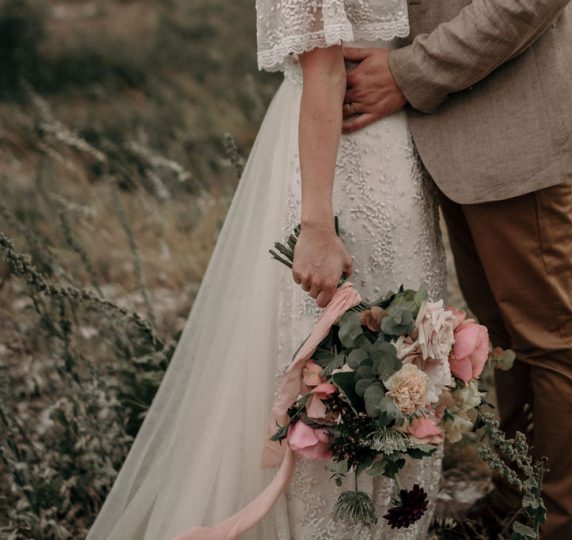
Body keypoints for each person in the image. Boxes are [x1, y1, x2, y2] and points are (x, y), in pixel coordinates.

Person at [86, 0, 446, 537]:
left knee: (342, 356)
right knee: (391, 356)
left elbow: (324, 69)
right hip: (391, 145)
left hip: (339, 152)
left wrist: (318, 226)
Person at [340, 0, 572, 538]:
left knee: (551, 336)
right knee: (504, 332)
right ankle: (516, 504)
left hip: (511, 112)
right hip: (455, 120)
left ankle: (556, 527)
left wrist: (408, 70)